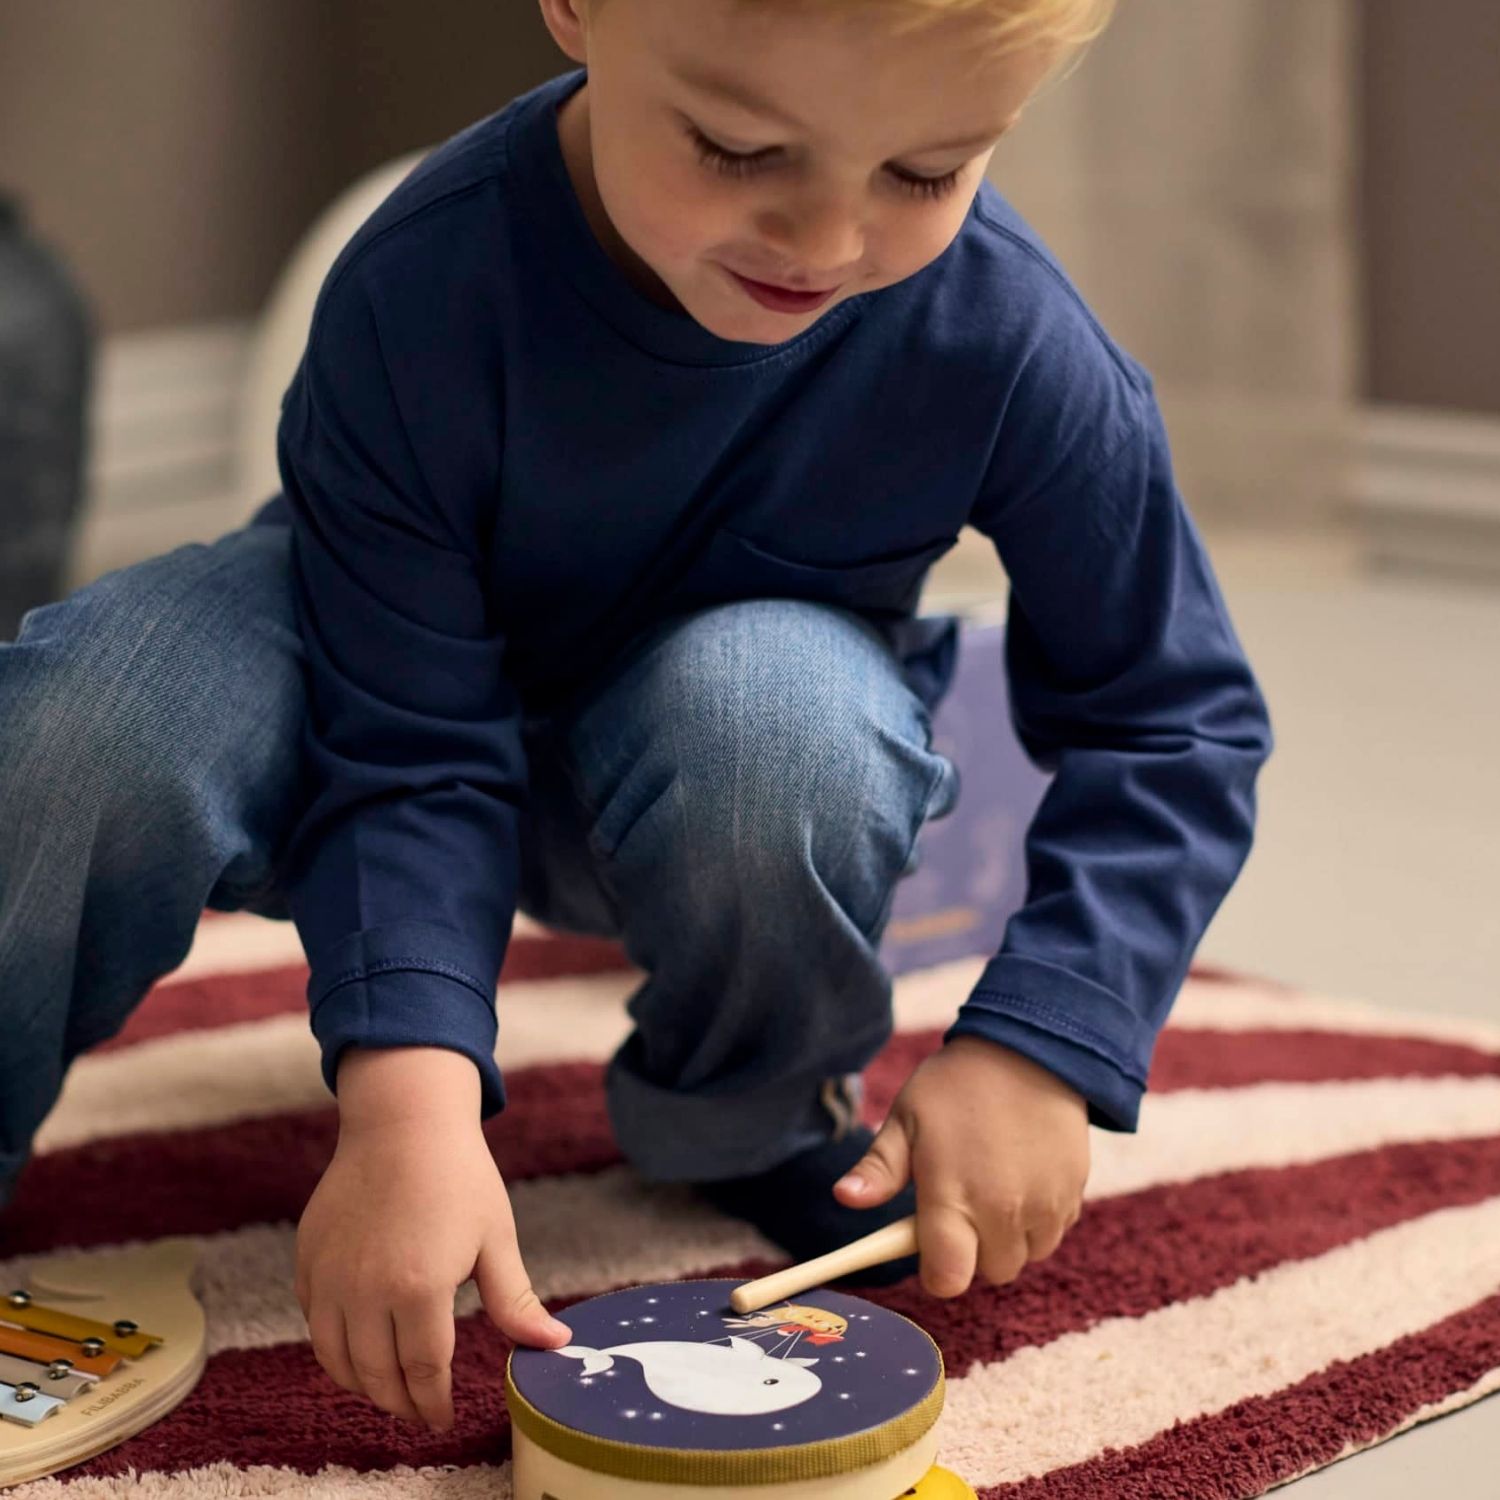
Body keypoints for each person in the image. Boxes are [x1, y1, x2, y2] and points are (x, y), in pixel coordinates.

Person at [0, 0, 1273, 1438]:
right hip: (368, 692)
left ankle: (743, 1118)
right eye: (738, 148)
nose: (824, 240)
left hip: (701, 762)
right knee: (90, 714)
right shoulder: (423, 283)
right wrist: (409, 1102)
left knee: (780, 720)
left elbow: (1173, 717)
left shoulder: (1013, 335)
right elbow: (407, 744)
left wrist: (1042, 1043)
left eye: (925, 173)